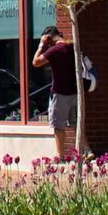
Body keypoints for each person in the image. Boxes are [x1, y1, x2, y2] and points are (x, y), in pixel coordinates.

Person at [33, 25, 95, 161]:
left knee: (58, 126)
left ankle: (60, 157)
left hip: (60, 93)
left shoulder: (55, 50)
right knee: (76, 123)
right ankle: (87, 150)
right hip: (75, 92)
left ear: (49, 37)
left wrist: (41, 45)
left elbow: (35, 62)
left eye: (46, 40)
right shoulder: (73, 47)